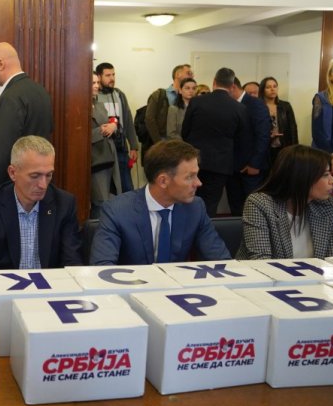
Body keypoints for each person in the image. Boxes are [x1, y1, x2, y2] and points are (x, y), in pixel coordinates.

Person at [90, 139, 231, 265]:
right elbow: (102, 268)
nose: (198, 183)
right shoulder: (117, 210)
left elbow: (221, 260)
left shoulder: (195, 207)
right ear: (163, 181)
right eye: (190, 177)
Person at [0, 136, 82, 270]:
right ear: (13, 173)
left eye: (48, 175)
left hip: (50, 283)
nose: (43, 185)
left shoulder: (64, 204)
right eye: (35, 176)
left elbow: (72, 265)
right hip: (5, 282)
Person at [236, 145, 333, 260]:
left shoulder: (326, 204)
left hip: (315, 272)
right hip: (266, 272)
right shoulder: (260, 204)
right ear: (302, 177)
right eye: (326, 175)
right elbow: (261, 262)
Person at [0, 42, 53, 196]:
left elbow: (1, 155)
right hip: (35, 185)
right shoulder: (40, 91)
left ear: (1, 64)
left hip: (10, 191)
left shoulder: (11, 97)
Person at [182, 67, 250, 217]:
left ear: (214, 82)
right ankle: (204, 229)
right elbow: (242, 140)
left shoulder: (196, 102)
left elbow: (185, 132)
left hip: (194, 160)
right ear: (232, 86)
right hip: (221, 164)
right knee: (210, 203)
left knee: (188, 199)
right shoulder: (239, 108)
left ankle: (187, 229)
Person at [226, 76, 271, 216]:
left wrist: (254, 164)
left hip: (251, 168)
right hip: (233, 167)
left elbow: (263, 135)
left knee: (253, 208)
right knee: (236, 206)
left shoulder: (255, 104)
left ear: (233, 87)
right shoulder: (230, 105)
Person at [95, 62, 138, 193]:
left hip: (120, 147)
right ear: (99, 76)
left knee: (127, 187)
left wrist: (134, 146)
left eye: (113, 74)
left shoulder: (119, 95)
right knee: (107, 189)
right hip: (103, 149)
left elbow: (128, 120)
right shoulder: (94, 96)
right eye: (108, 75)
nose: (112, 78)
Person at [90, 72, 121, 218]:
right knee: (100, 200)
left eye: (97, 82)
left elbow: (113, 121)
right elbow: (77, 134)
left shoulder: (100, 104)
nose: (97, 86)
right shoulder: (79, 104)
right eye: (93, 83)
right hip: (95, 158)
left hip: (109, 154)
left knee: (111, 196)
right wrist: (100, 131)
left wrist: (113, 126)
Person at [312, 58, 333, 177]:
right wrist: (332, 158)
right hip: (327, 156)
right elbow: (317, 133)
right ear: (330, 76)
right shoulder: (321, 98)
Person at [145, 64, 194, 145]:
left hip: (186, 143)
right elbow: (149, 119)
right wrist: (159, 143)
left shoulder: (192, 97)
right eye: (189, 73)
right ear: (178, 75)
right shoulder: (159, 95)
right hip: (164, 142)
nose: (192, 76)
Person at [259, 76, 298, 169]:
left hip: (283, 146)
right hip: (265, 148)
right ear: (262, 90)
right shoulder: (258, 106)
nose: (272, 89)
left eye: (275, 86)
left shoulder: (285, 106)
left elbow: (293, 128)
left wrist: (295, 149)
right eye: (268, 87)